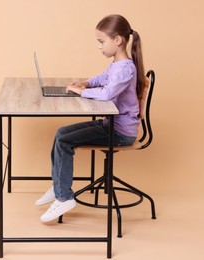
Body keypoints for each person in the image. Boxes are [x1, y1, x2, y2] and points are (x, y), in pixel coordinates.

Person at [36, 14, 145, 223]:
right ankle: (59, 186)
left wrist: (79, 92)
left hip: (120, 133)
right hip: (110, 125)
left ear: (118, 40)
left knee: (64, 141)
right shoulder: (118, 64)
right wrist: (85, 83)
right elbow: (103, 79)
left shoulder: (125, 69)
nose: (99, 46)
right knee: (61, 133)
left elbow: (107, 94)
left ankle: (64, 197)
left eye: (101, 41)